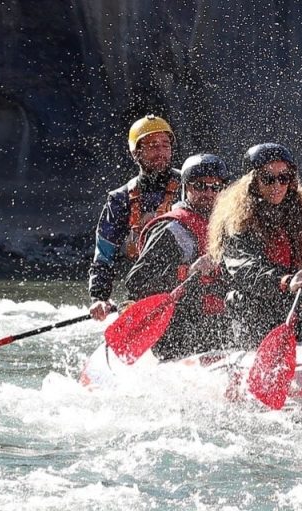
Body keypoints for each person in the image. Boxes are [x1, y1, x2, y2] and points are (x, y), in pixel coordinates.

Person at [207, 143, 302, 347]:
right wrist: (286, 281)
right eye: (268, 179)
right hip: (255, 318)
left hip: (291, 309)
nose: (277, 185)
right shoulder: (237, 223)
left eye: (283, 178)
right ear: (253, 182)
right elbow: (244, 270)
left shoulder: (297, 214)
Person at [123, 153, 232, 360]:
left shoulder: (230, 227)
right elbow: (136, 283)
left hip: (219, 321)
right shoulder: (170, 229)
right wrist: (187, 271)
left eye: (215, 187)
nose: (208, 193)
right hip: (178, 330)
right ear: (185, 187)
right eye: (200, 186)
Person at [88, 114, 181, 321]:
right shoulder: (120, 199)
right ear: (136, 152)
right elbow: (104, 255)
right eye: (152, 145)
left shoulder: (191, 186)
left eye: (165, 145)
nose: (161, 152)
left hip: (188, 287)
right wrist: (99, 297)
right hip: (146, 293)